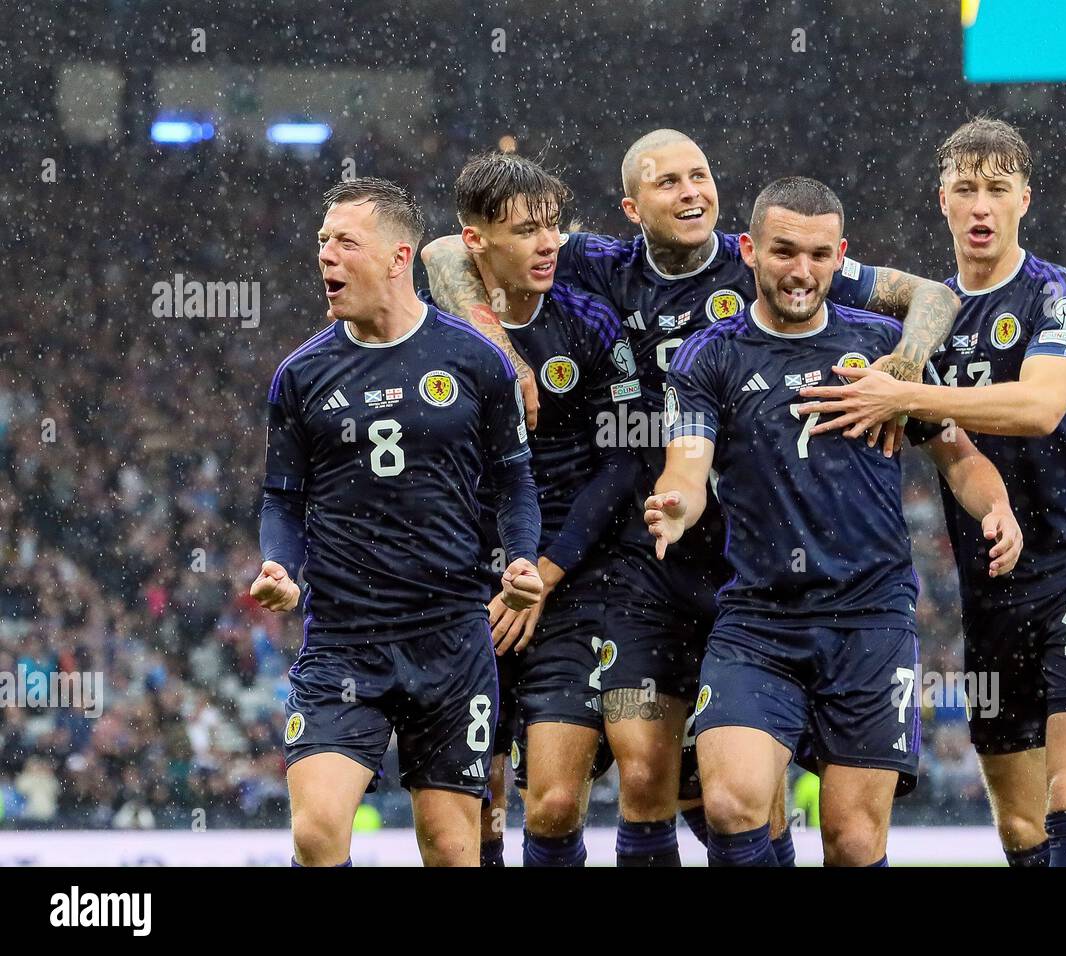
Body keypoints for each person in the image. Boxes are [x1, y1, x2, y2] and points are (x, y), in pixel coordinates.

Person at [421, 129, 962, 867]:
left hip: (754, 564)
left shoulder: (769, 262)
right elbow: (446, 253)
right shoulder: (599, 264)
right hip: (653, 563)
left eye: (699, 175)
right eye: (667, 181)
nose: (690, 192)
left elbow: (928, 293)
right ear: (630, 208)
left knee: (742, 806)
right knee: (658, 781)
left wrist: (909, 360)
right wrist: (498, 346)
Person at [796, 117, 1066, 866]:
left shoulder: (1065, 295)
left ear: (1025, 198)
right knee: (1021, 831)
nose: (980, 206)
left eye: (996, 189)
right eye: (965, 190)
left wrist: (911, 396)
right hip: (993, 585)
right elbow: (819, 267)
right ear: (943, 203)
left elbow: (1039, 406)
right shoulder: (928, 320)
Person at [646, 176, 1022, 866]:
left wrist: (996, 509)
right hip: (758, 620)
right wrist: (674, 505)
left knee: (852, 839)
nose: (801, 271)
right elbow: (687, 468)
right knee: (731, 804)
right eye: (784, 251)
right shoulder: (712, 355)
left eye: (819, 255)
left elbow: (959, 458)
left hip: (870, 621)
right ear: (750, 250)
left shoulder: (884, 348)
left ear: (840, 254)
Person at [250, 178, 542, 867]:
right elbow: (283, 499)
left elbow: (514, 479)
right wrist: (280, 568)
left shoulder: (474, 360)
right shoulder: (302, 375)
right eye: (322, 242)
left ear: (396, 256)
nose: (326, 255)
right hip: (344, 641)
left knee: (450, 846)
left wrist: (522, 557)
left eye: (345, 242)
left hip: (450, 640)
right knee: (317, 831)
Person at [435, 151, 642, 866]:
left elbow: (622, 464)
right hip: (465, 592)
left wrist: (545, 573)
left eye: (553, 227)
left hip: (570, 584)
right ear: (476, 241)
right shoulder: (434, 328)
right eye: (526, 231)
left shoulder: (590, 321)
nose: (548, 244)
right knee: (477, 808)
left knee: (553, 802)